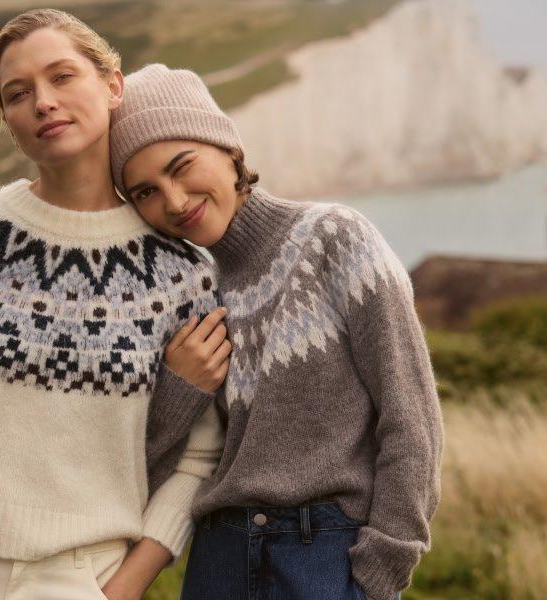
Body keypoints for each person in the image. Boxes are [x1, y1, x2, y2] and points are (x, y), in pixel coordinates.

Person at [0, 14, 229, 599]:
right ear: (6, 118)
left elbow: (199, 456)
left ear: (112, 84)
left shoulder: (180, 274)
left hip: (88, 578)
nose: (44, 103)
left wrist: (126, 584)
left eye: (62, 76)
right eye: (18, 93)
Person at [110, 63, 444, 600]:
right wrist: (180, 386)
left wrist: (383, 567)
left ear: (228, 149)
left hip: (322, 556)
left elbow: (411, 418)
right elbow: (156, 471)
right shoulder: (189, 296)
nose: (173, 201)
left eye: (182, 166)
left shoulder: (335, 238)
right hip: (217, 560)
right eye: (145, 192)